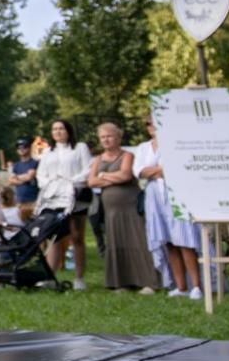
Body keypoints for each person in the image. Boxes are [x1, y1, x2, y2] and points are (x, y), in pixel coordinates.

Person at [134, 116, 202, 300]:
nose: (152, 127)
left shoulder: (176, 144)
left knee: (184, 239)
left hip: (176, 194)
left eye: (156, 123)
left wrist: (153, 171)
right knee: (168, 241)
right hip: (154, 197)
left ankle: (196, 285)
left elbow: (177, 168)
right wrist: (160, 169)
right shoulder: (143, 148)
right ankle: (180, 286)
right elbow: (139, 171)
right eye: (148, 124)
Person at [85, 122, 156, 294]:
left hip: (130, 206)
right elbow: (91, 181)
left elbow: (125, 175)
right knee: (116, 242)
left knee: (138, 240)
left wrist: (103, 176)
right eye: (102, 137)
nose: (106, 140)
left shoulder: (127, 155)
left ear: (118, 138)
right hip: (111, 211)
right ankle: (122, 282)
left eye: (109, 136)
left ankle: (148, 282)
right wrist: (110, 177)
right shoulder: (97, 159)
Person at [35, 119, 93, 291]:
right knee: (53, 237)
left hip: (75, 195)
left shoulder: (79, 148)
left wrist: (69, 182)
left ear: (68, 130)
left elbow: (87, 169)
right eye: (54, 129)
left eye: (61, 128)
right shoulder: (48, 152)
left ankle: (79, 277)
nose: (58, 132)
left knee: (76, 236)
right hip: (53, 197)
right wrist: (52, 184)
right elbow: (41, 175)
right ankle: (50, 275)